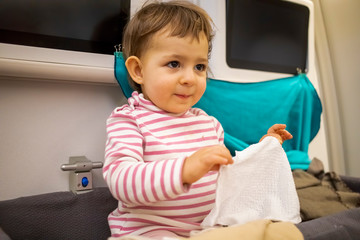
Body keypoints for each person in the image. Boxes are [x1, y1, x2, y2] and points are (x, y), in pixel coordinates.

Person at [103, 1, 293, 239]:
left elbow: (227, 176)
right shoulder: (129, 120)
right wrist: (183, 170)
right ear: (138, 71)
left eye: (200, 66)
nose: (190, 78)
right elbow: (122, 181)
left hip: (205, 229)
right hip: (148, 233)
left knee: (283, 231)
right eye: (174, 64)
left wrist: (262, 149)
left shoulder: (209, 124)